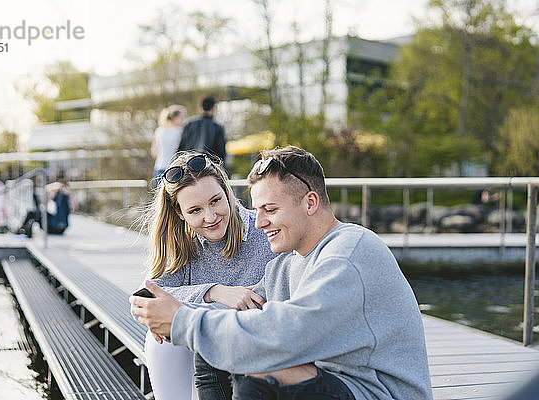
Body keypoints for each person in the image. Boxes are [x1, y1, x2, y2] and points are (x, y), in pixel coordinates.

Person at [131, 146, 433, 400]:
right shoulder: (286, 264)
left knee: (261, 370)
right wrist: (167, 312)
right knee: (220, 350)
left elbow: (284, 335)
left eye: (270, 210)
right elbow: (247, 314)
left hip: (377, 391)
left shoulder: (349, 251)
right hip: (336, 381)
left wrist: (181, 320)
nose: (259, 223)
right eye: (257, 210)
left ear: (310, 202)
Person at [137, 151, 276, 400]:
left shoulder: (264, 230)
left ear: (226, 191)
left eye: (215, 201)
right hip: (201, 363)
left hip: (257, 352)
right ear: (180, 214)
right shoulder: (183, 243)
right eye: (195, 210)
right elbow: (148, 298)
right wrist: (214, 292)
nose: (210, 217)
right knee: (162, 337)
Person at [177, 96, 226, 165]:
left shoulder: (188, 124)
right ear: (213, 108)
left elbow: (181, 149)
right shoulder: (217, 127)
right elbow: (221, 152)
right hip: (208, 167)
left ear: (200, 108)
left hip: (188, 165)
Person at [151, 105, 186, 182]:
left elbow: (154, 153)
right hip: (174, 168)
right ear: (175, 118)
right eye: (182, 117)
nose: (184, 120)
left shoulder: (159, 131)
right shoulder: (180, 131)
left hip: (159, 167)